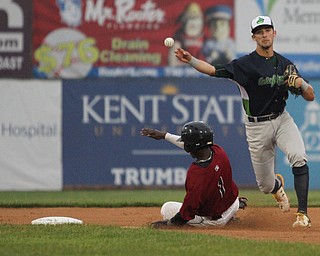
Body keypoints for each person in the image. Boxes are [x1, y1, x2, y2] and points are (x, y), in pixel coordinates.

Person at [174, 16, 315, 228]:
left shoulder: (286, 65)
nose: (264, 34)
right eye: (259, 31)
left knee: (299, 157)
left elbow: (310, 96)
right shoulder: (245, 65)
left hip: (282, 119)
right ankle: (276, 186)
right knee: (265, 186)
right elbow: (214, 70)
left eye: (267, 30)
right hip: (257, 126)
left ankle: (302, 214)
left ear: (274, 33)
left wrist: (302, 83)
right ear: (254, 37)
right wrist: (191, 60)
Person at [140, 121, 247, 227]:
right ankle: (231, 215)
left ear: (189, 146)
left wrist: (170, 224)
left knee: (166, 209)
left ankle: (213, 222)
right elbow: (196, 144)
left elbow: (190, 208)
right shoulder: (218, 151)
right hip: (232, 203)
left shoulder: (198, 173)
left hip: (215, 220)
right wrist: (164, 135)